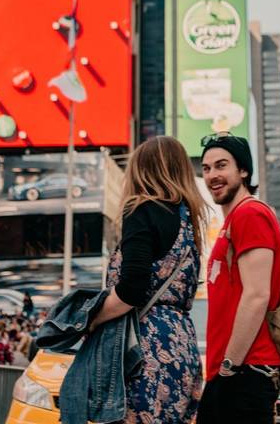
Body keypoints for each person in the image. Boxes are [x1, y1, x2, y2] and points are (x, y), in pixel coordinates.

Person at [89, 136, 208, 423]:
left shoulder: (139, 209)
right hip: (181, 341)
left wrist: (90, 321)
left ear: (141, 170)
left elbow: (132, 288)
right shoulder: (187, 222)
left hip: (144, 345)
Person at [195, 134, 280, 424]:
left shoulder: (250, 214)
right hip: (237, 371)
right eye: (206, 169)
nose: (212, 175)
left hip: (246, 369)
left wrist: (228, 367)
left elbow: (257, 295)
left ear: (243, 171)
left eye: (221, 166)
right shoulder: (233, 222)